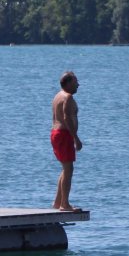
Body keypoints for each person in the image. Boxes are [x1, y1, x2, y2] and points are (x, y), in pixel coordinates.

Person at [51, 71, 83, 212]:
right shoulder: (67, 97)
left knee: (66, 169)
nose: (78, 84)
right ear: (68, 83)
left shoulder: (58, 96)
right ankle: (65, 204)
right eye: (75, 82)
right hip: (64, 134)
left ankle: (58, 202)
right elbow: (67, 118)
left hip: (56, 134)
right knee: (69, 169)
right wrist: (76, 138)